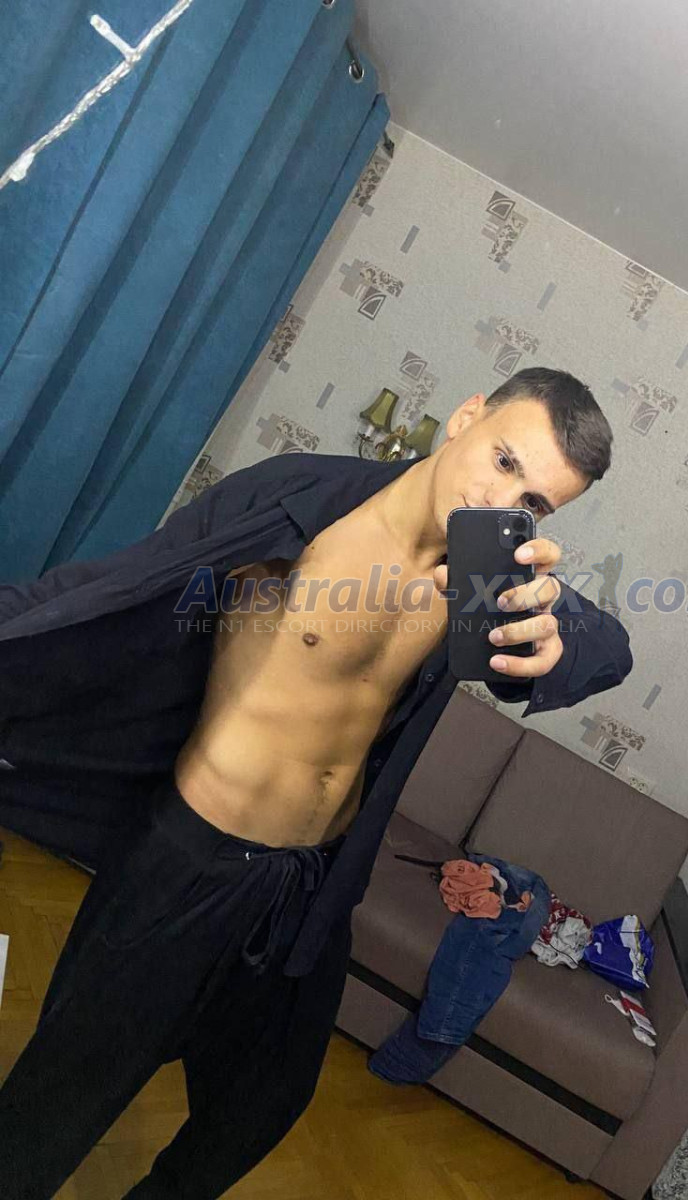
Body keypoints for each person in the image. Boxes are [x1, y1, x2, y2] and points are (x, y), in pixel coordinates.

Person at [0, 367, 633, 1197]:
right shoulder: (301, 501)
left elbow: (608, 649)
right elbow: (119, 586)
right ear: (466, 417)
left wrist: (559, 636)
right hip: (190, 860)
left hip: (310, 886)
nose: (501, 498)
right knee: (59, 1101)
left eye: (534, 502)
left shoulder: (484, 584)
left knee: (260, 1106)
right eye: (504, 459)